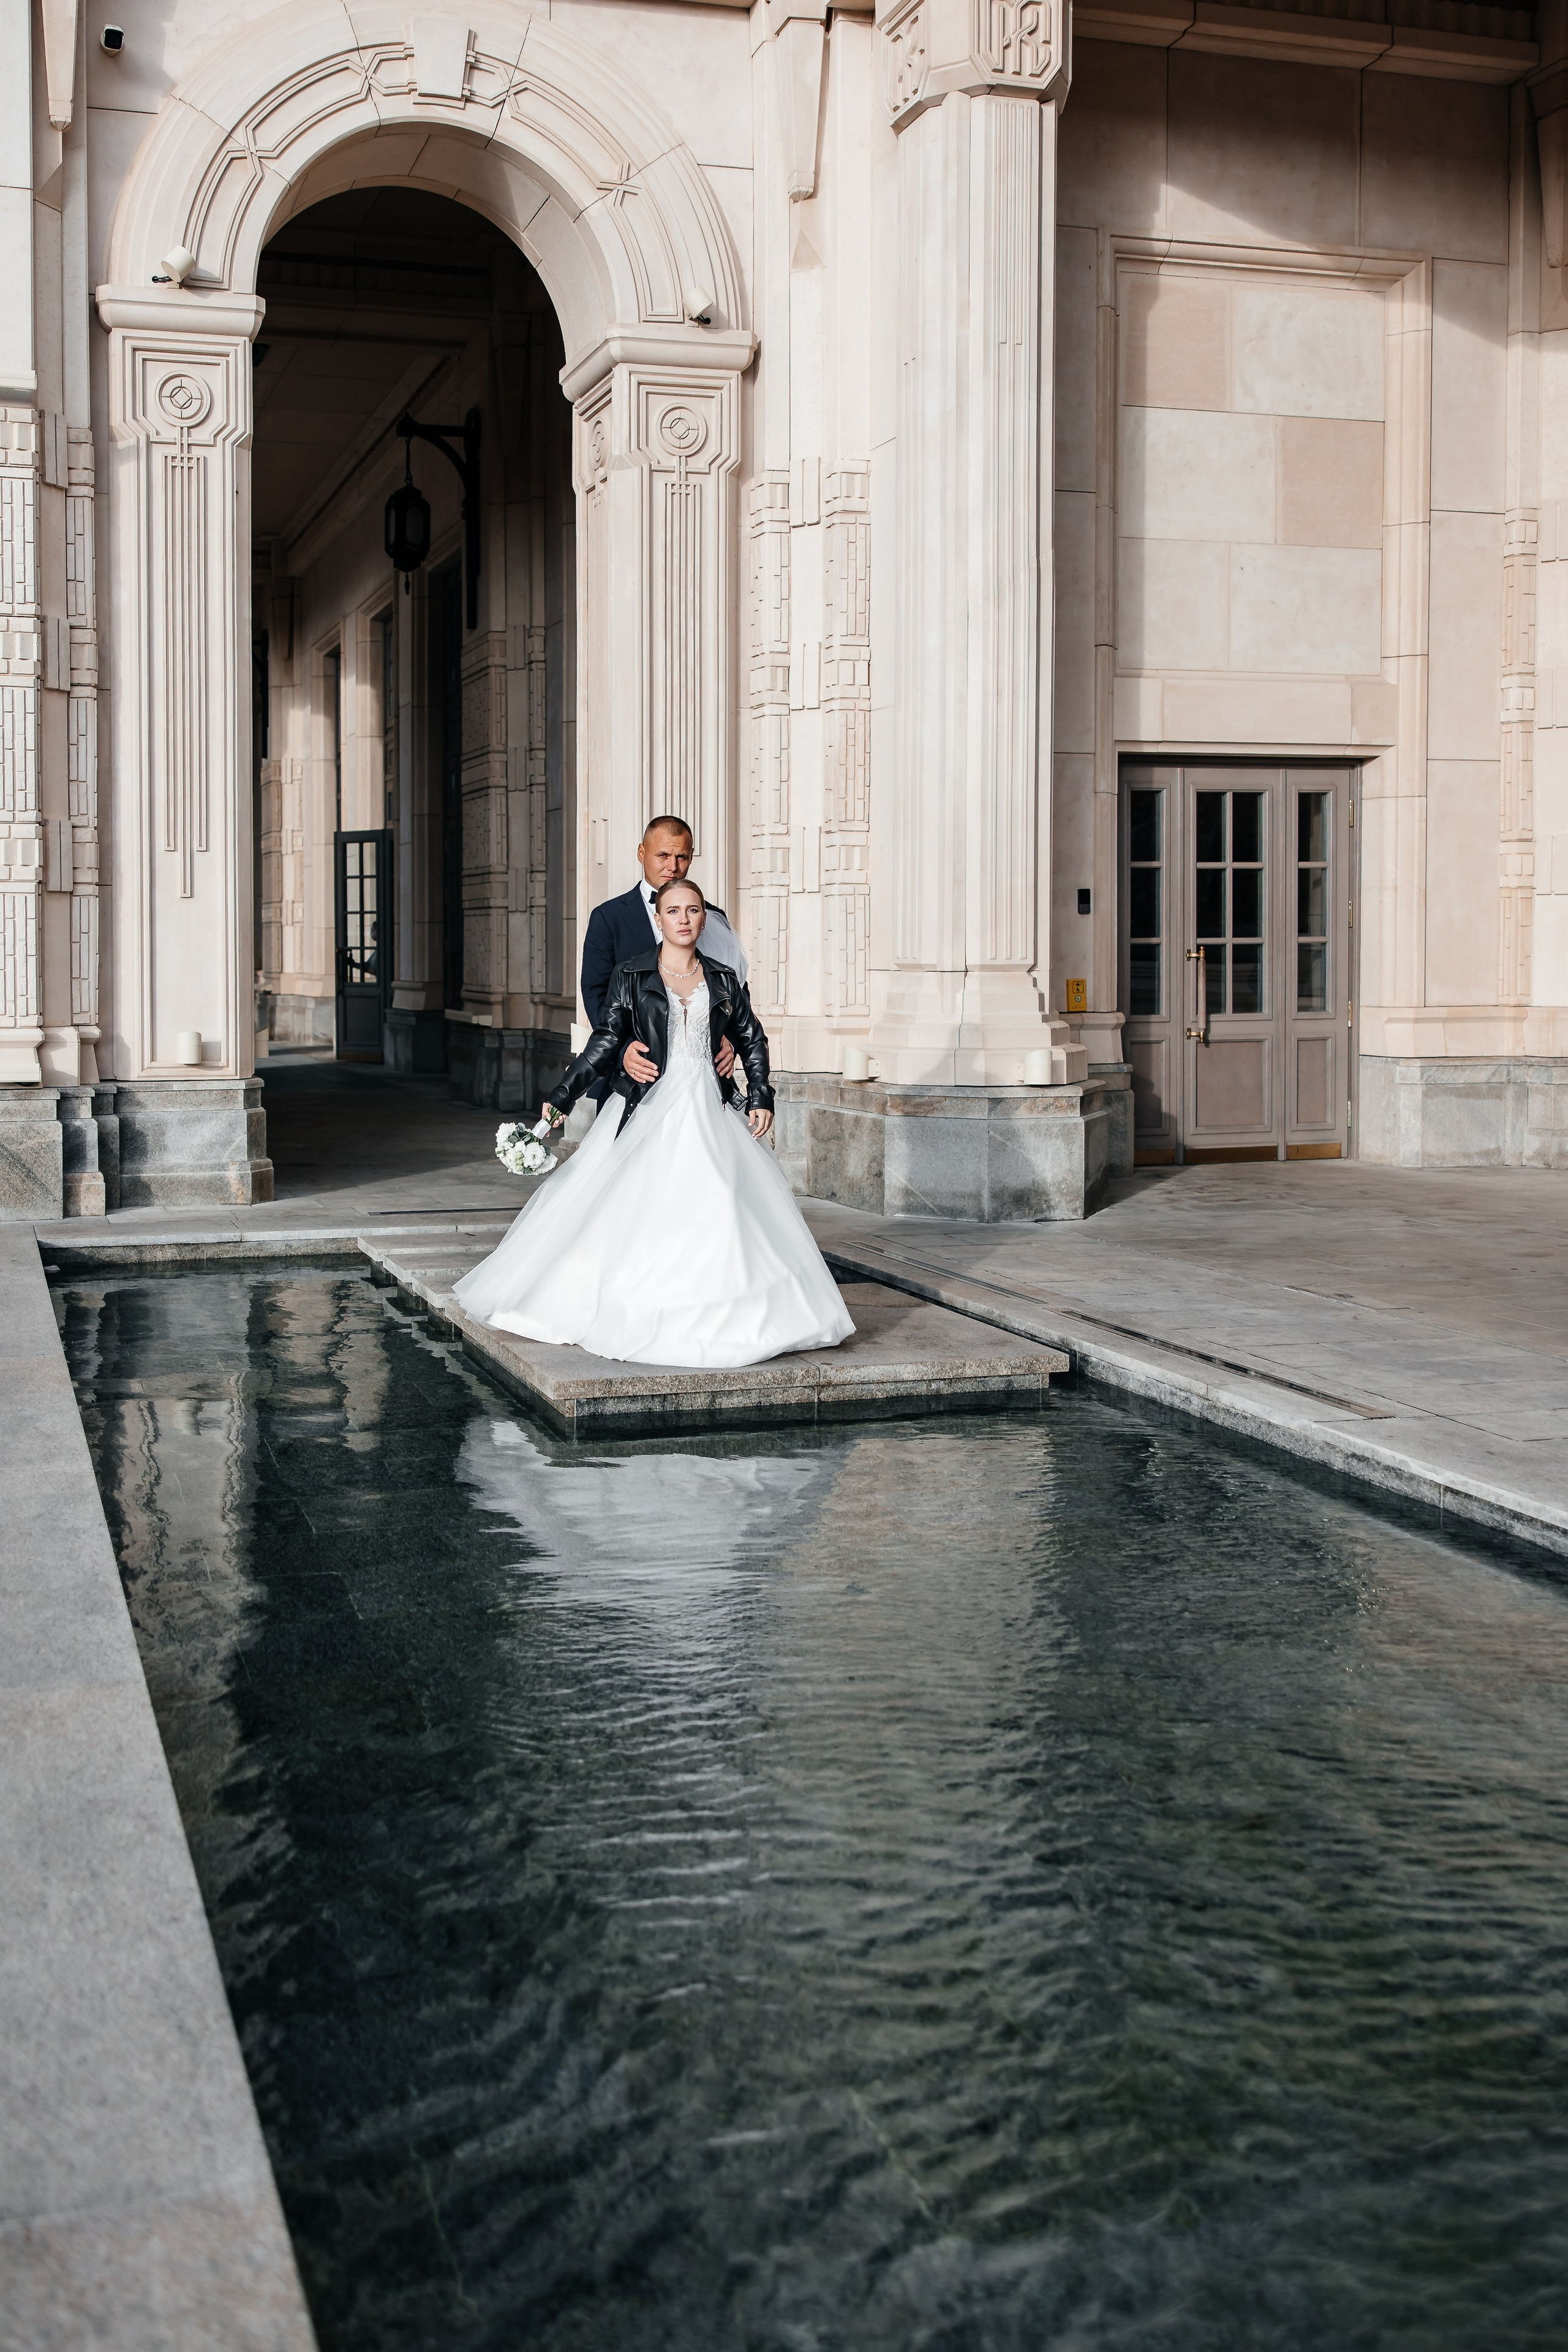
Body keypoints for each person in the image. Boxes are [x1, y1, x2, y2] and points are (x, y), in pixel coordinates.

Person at [453, 879, 854, 1370]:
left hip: (710, 1105)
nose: (684, 919)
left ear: (703, 918)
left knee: (724, 1198)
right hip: (650, 1107)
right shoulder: (633, 974)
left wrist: (761, 1094)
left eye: (693, 910)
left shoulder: (724, 979)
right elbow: (605, 1040)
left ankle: (739, 1314)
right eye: (673, 911)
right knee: (640, 1204)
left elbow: (752, 1038)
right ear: (659, 919)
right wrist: (562, 1095)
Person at [581, 815, 746, 1097]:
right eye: (663, 855)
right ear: (641, 853)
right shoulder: (608, 917)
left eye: (681, 856)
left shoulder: (712, 918)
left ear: (691, 858)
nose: (673, 866)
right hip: (632, 1074)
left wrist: (729, 1039)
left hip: (704, 1078)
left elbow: (736, 992)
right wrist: (622, 1051)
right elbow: (596, 993)